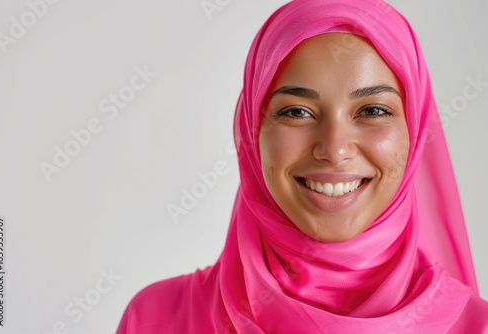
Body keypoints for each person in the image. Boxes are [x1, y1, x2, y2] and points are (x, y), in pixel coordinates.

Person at [117, 0, 488, 332]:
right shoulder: (156, 320)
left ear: (414, 128)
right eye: (297, 112)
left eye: (373, 110)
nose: (334, 149)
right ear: (252, 130)